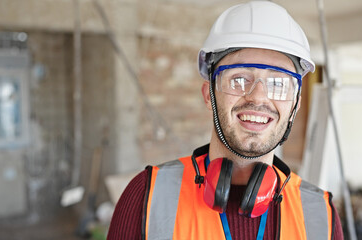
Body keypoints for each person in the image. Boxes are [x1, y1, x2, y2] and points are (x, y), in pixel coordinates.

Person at [107, 1, 344, 239]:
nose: (258, 97)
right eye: (239, 79)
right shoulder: (146, 197)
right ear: (209, 95)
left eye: (278, 83)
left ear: (295, 104)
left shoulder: (320, 216)